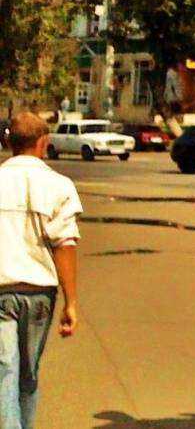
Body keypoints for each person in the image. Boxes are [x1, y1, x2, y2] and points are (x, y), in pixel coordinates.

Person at [0, 112, 81, 429]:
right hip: (39, 295)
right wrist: (71, 301)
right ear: (43, 143)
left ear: (9, 143)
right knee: (27, 374)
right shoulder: (59, 185)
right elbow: (66, 245)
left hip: (1, 292)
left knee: (5, 371)